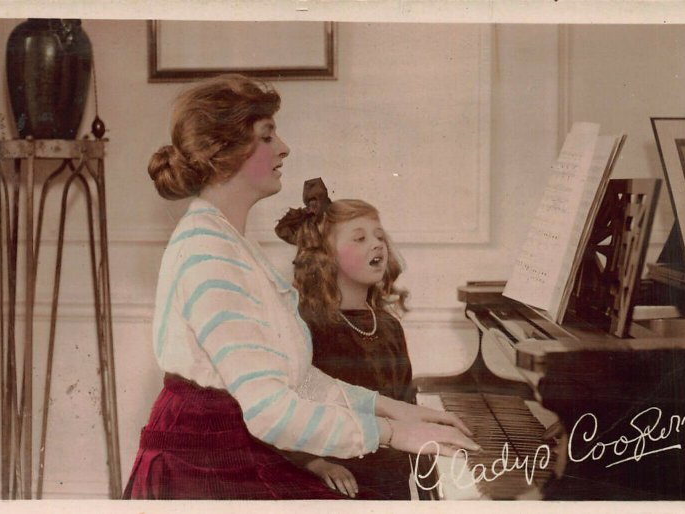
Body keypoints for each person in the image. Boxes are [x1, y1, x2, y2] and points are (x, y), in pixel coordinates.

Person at [123, 74, 479, 500]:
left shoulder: (230, 241)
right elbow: (271, 412)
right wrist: (391, 434)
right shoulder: (208, 254)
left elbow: (299, 380)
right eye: (267, 136)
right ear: (228, 151)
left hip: (233, 453)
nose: (284, 147)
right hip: (204, 470)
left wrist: (396, 410)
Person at [275, 180, 436, 499]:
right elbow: (278, 409)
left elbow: (405, 403)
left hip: (390, 476)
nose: (377, 244)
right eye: (360, 238)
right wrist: (317, 465)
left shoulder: (388, 325)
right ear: (326, 256)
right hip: (335, 482)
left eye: (379, 235)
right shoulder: (309, 324)